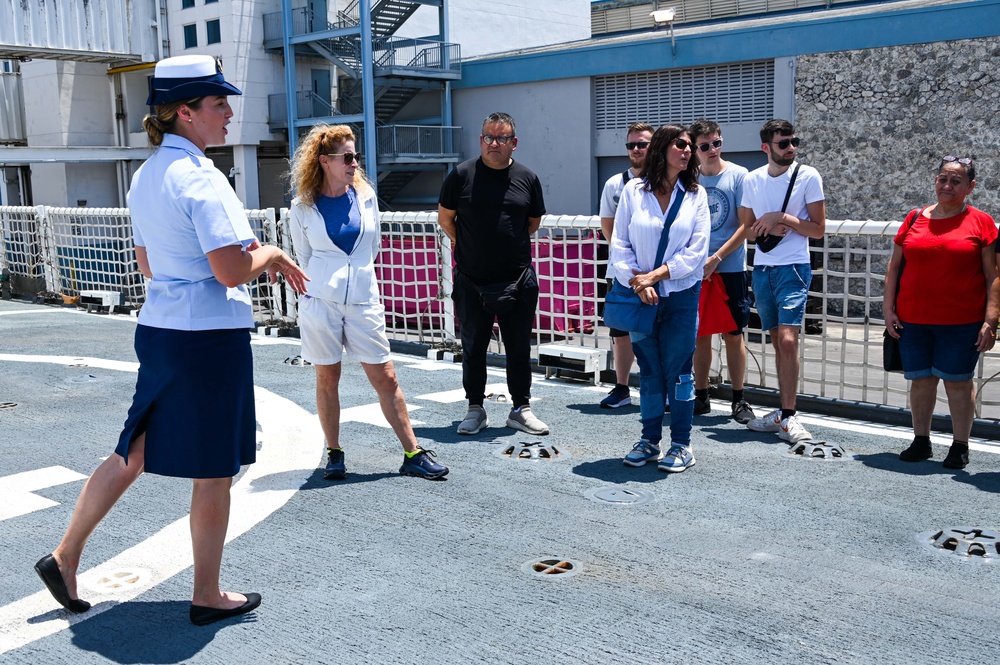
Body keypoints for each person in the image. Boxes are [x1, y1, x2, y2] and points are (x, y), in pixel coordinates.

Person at [33, 55, 309, 625]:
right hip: (207, 339)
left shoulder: (147, 174)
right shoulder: (201, 177)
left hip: (160, 329)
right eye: (217, 103)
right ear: (186, 112)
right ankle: (207, 594)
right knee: (214, 468)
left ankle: (65, 556)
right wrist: (274, 253)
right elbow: (232, 271)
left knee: (131, 449)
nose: (228, 113)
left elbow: (148, 265)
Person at [288, 124, 448, 481]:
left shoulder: (366, 198)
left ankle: (413, 452)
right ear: (325, 161)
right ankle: (334, 453)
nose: (354, 163)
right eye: (347, 157)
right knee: (327, 377)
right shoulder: (302, 206)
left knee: (386, 376)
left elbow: (371, 249)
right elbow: (305, 255)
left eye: (356, 156)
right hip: (321, 303)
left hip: (363, 300)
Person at [438, 112, 549, 436]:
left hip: (517, 280)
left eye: (502, 138)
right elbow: (446, 220)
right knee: (473, 347)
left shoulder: (527, 178)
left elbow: (532, 223)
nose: (494, 143)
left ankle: (521, 408)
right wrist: (469, 244)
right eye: (488, 137)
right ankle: (475, 408)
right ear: (480, 140)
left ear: (514, 143)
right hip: (471, 280)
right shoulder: (460, 175)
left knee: (518, 348)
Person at [885, 156, 999, 469]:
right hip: (913, 319)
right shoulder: (913, 218)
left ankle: (960, 445)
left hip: (962, 322)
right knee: (921, 381)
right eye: (942, 179)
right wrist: (888, 309)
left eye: (956, 181)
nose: (947, 186)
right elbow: (894, 268)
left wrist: (991, 320)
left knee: (958, 383)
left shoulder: (981, 222)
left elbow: (993, 276)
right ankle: (921, 440)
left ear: (970, 187)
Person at [612, 124, 710, 473]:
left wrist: (655, 276)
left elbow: (696, 253)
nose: (688, 150)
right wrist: (639, 283)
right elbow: (619, 245)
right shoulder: (633, 192)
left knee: (680, 371)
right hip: (642, 297)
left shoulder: (697, 195)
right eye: (680, 144)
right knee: (650, 370)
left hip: (681, 296)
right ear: (662, 149)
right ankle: (650, 440)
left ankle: (682, 444)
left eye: (690, 146)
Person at [739, 119, 825, 444]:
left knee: (788, 340)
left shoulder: (808, 176)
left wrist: (782, 218)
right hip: (762, 269)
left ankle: (789, 415)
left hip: (793, 267)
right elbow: (745, 228)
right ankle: (782, 411)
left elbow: (818, 229)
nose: (791, 148)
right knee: (777, 341)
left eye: (794, 141)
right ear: (766, 148)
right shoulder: (753, 180)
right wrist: (765, 226)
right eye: (783, 143)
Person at [688, 119, 755, 424]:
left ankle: (739, 399)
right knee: (699, 334)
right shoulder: (689, 179)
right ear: (695, 150)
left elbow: (746, 226)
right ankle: (701, 395)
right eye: (705, 146)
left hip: (729, 268)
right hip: (696, 270)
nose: (713, 150)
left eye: (717, 143)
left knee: (733, 333)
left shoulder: (739, 175)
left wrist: (716, 257)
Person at [598, 122, 653, 409]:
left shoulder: (665, 182)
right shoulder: (614, 185)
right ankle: (621, 388)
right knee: (620, 331)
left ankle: (656, 387)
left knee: (654, 331)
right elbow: (608, 227)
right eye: (631, 145)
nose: (635, 150)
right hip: (620, 272)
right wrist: (626, 261)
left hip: (656, 273)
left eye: (641, 144)